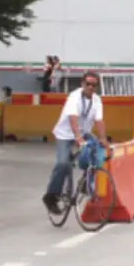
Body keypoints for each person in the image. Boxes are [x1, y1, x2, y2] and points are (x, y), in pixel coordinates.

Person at [43, 71, 108, 213]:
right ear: (82, 84)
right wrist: (78, 137)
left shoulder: (97, 100)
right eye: (88, 84)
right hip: (65, 135)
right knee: (63, 163)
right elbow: (73, 118)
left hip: (84, 133)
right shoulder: (74, 97)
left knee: (98, 153)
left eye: (94, 85)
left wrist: (103, 139)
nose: (90, 87)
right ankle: (51, 196)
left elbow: (99, 121)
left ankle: (87, 182)